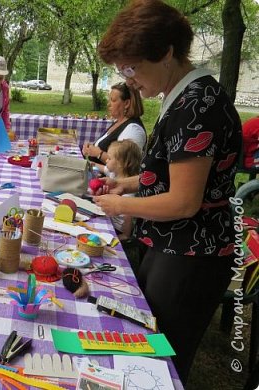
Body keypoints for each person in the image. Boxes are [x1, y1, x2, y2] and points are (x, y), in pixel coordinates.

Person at [93, 0, 242, 384]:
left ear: (167, 53)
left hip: (192, 254)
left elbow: (183, 201)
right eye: (121, 70)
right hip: (173, 244)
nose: (128, 80)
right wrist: (127, 183)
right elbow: (172, 176)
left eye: (132, 67)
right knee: (145, 342)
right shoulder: (181, 97)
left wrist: (119, 203)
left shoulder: (197, 104)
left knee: (161, 361)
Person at [82, 82, 146, 165]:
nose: (108, 104)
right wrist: (91, 149)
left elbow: (124, 165)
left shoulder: (134, 130)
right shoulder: (119, 122)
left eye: (113, 100)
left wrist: (98, 153)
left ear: (126, 103)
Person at [101, 140, 142, 240]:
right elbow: (105, 169)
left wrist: (125, 235)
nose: (106, 160)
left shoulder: (128, 195)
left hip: (116, 229)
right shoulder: (114, 174)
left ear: (121, 164)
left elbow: (128, 216)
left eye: (109, 158)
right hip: (108, 219)